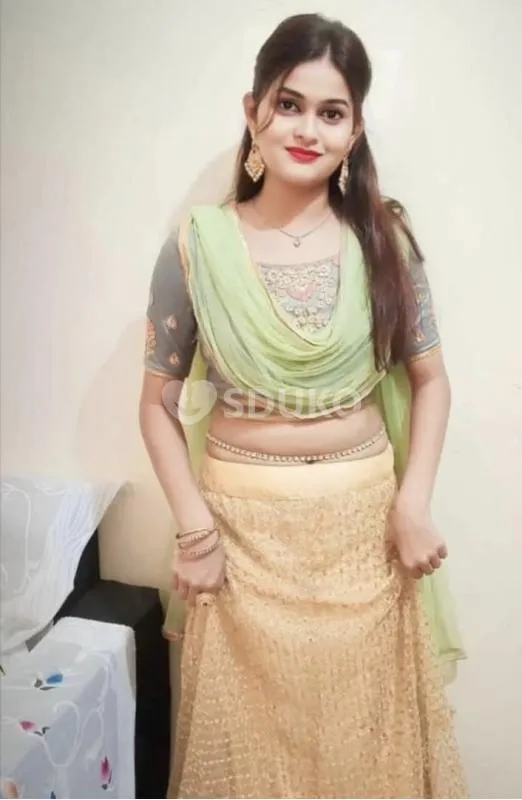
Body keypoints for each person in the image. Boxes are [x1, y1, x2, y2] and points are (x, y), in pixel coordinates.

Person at [140, 12, 467, 799]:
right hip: (240, 544)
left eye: (332, 112)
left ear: (355, 131)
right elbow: (156, 404)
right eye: (289, 104)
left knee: (369, 752)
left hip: (365, 539)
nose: (308, 129)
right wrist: (193, 531)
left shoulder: (384, 243)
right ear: (251, 109)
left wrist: (413, 503)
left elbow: (431, 381)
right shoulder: (196, 245)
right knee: (245, 762)